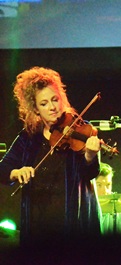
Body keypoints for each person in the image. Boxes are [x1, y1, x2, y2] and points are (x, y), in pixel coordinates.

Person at [0, 67, 102, 261]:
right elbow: (2, 169)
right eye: (44, 103)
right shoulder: (28, 138)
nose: (52, 107)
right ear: (35, 109)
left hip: (73, 224)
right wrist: (16, 172)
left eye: (55, 100)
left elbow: (89, 173)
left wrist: (90, 154)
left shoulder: (79, 128)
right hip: (39, 225)